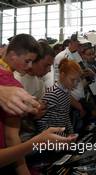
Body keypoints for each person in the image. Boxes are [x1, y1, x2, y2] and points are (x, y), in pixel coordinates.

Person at [0, 34, 41, 175]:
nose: (30, 67)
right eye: (27, 61)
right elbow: (11, 136)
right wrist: (23, 170)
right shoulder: (12, 84)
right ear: (12, 55)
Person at [36, 59, 82, 135]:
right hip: (51, 140)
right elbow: (42, 124)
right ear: (62, 75)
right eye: (72, 80)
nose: (75, 84)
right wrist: (62, 137)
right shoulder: (52, 94)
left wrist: (70, 132)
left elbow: (65, 116)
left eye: (77, 81)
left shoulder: (66, 91)